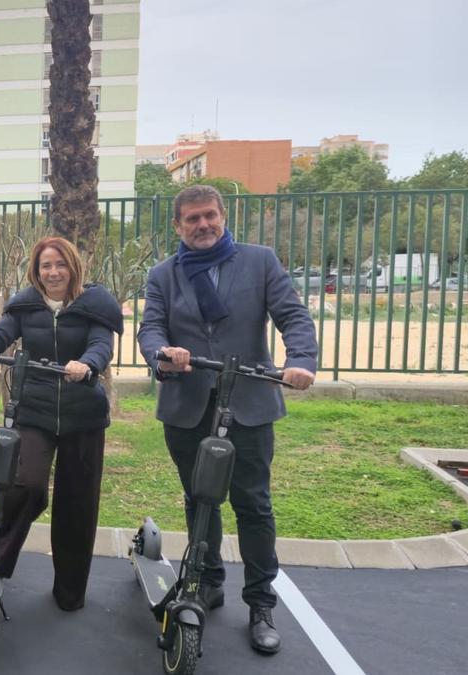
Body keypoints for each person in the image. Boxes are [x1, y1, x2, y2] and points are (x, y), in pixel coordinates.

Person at [136, 184, 318, 655]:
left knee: (253, 504)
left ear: (223, 215)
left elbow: (293, 316)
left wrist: (300, 361)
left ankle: (260, 603)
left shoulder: (259, 262)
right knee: (199, 500)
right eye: (192, 219)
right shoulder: (163, 274)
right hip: (187, 406)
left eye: (210, 216)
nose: (203, 225)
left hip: (250, 405)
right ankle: (207, 581)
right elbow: (151, 325)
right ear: (177, 226)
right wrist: (162, 352)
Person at [0, 236, 123, 611]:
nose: (53, 273)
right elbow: (1, 332)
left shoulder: (95, 305)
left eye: (60, 264)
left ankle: (69, 593)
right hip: (34, 410)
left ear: (73, 267)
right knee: (26, 483)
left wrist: (88, 364)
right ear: (36, 271)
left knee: (78, 504)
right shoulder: (25, 305)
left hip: (83, 414)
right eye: (45, 266)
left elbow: (102, 344)